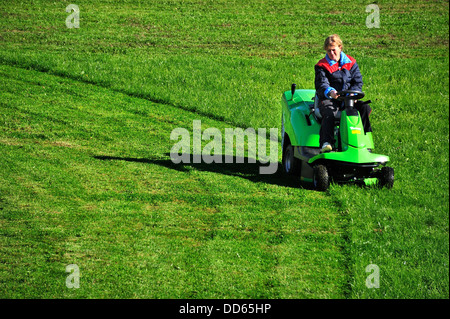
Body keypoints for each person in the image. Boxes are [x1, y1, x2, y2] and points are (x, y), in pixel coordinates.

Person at [314, 34, 373, 153]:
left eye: (334, 50)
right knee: (330, 111)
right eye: (329, 51)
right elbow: (322, 84)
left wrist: (353, 95)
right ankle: (327, 143)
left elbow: (357, 81)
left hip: (348, 99)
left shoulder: (351, 63)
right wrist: (331, 92)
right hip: (330, 98)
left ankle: (364, 141)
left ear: (340, 48)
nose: (331, 53)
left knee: (365, 108)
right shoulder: (322, 66)